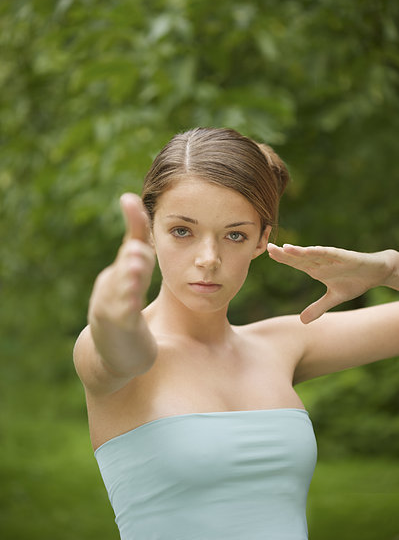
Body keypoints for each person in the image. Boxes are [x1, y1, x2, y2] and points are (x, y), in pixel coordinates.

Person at [73, 127, 399, 540]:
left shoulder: (287, 342)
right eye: (182, 231)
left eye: (234, 235)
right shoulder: (110, 348)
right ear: (150, 228)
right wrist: (109, 314)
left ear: (262, 240)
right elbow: (123, 351)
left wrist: (389, 268)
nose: (208, 259)